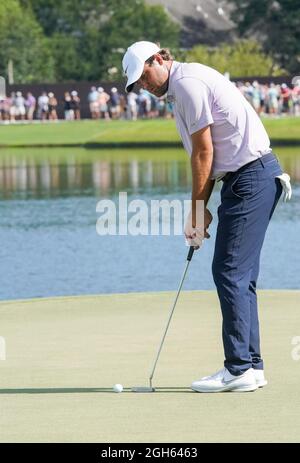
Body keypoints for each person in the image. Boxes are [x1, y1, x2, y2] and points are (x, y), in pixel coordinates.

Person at [122, 41, 292, 393]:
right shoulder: (180, 88)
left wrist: (196, 213)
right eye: (138, 83)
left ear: (158, 59)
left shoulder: (186, 83)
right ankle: (252, 365)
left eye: (144, 75)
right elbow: (210, 159)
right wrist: (203, 210)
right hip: (247, 179)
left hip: (252, 177)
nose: (145, 85)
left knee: (228, 270)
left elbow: (203, 153)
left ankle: (238, 368)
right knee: (240, 275)